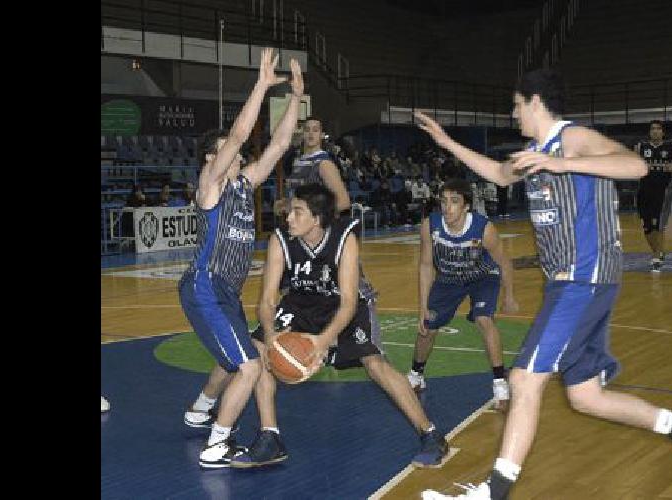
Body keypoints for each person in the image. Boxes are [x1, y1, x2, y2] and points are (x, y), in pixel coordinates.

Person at [414, 68, 672, 499]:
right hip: (568, 284)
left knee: (524, 381)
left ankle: (492, 494)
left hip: (583, 277)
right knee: (587, 397)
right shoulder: (534, 151)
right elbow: (499, 174)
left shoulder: (570, 139)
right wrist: (446, 142)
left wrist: (561, 162)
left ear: (535, 100)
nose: (513, 113)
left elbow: (636, 165)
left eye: (516, 105)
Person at [230, 183, 450, 469]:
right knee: (259, 348)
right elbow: (268, 300)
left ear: (317, 218)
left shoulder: (345, 238)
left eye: (297, 212)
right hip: (300, 302)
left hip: (345, 303)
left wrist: (321, 342)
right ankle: (270, 437)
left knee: (375, 363)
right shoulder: (280, 239)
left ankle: (431, 434)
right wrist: (272, 336)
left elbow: (348, 302)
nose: (289, 218)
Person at [176, 48, 305, 469]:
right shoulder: (210, 185)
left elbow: (282, 143)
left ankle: (199, 411)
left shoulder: (243, 186)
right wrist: (261, 86)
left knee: (240, 357)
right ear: (212, 159)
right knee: (249, 368)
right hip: (206, 287)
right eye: (222, 151)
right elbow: (237, 136)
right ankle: (217, 443)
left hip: (226, 292)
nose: (233, 155)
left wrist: (294, 101)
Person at [409, 179, 519, 411]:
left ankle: (500, 383)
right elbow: (426, 265)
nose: (447, 207)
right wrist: (422, 308)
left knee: (483, 319)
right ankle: (416, 375)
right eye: (444, 201)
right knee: (427, 325)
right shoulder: (431, 225)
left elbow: (504, 262)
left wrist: (509, 295)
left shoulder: (483, 229)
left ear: (466, 206)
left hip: (482, 277)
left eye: (455, 201)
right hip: (448, 279)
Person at [634, 120, 672, 272]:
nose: (655, 131)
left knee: (658, 224)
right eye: (653, 129)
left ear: (663, 132)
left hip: (663, 190)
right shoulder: (640, 147)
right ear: (649, 132)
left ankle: (656, 257)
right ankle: (657, 252)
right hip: (644, 190)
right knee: (646, 226)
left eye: (658, 129)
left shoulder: (671, 147)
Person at [274, 116, 351, 217]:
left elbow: (344, 202)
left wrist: (316, 218)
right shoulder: (297, 161)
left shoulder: (324, 164)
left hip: (315, 228)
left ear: (322, 135)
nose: (311, 133)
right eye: (307, 130)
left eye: (315, 130)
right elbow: (301, 198)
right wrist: (287, 204)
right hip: (297, 225)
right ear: (302, 134)